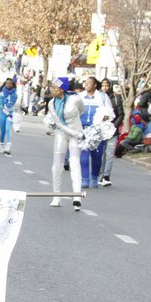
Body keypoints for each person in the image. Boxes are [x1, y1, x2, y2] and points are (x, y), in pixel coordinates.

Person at [46, 77, 83, 211]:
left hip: (76, 133)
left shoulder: (75, 99)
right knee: (57, 165)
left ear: (62, 89)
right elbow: (58, 123)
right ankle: (57, 196)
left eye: (54, 87)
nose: (52, 90)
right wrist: (74, 133)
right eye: (51, 87)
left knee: (74, 163)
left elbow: (81, 111)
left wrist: (77, 132)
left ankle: (77, 197)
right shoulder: (51, 103)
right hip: (62, 133)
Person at [78, 76, 114, 186]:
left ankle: (94, 178)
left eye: (89, 83)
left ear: (94, 85)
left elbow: (110, 113)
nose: (86, 85)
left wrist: (105, 117)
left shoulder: (103, 97)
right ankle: (85, 179)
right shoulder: (80, 97)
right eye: (85, 83)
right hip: (83, 129)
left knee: (97, 156)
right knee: (83, 154)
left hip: (98, 130)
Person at [99, 80, 125, 186]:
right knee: (101, 153)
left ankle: (106, 175)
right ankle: (99, 173)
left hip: (112, 130)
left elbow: (121, 114)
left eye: (107, 86)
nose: (105, 88)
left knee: (109, 153)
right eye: (103, 86)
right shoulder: (98, 98)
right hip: (100, 130)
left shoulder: (116, 98)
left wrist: (113, 126)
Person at [0, 78, 18, 155]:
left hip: (10, 114)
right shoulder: (1, 94)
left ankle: (8, 146)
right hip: (3, 114)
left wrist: (12, 113)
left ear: (12, 85)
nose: (8, 85)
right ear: (5, 84)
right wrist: (6, 113)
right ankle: (1, 145)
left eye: (10, 83)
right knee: (2, 131)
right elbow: (1, 106)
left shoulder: (15, 94)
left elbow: (12, 104)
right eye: (7, 83)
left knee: (8, 129)